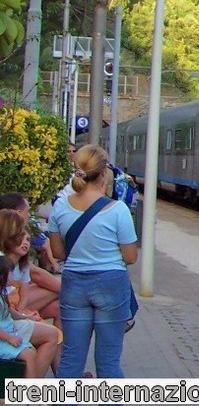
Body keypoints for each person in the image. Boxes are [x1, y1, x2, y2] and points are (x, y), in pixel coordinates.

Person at [47, 144, 138, 379]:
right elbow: (130, 257)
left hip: (74, 284)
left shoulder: (60, 206)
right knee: (108, 362)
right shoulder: (118, 210)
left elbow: (57, 252)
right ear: (103, 173)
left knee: (71, 360)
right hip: (111, 283)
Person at [0, 256, 61, 378]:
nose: (13, 275)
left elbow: (9, 311)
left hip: (9, 328)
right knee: (29, 355)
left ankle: (30, 386)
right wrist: (9, 338)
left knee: (38, 347)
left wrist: (26, 316)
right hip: (5, 335)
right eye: (10, 272)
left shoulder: (3, 293)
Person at [0, 209, 59, 327]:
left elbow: (25, 293)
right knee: (61, 291)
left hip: (18, 305)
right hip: (7, 308)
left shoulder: (23, 264)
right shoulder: (3, 261)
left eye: (28, 239)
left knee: (59, 306)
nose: (25, 243)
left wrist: (22, 311)